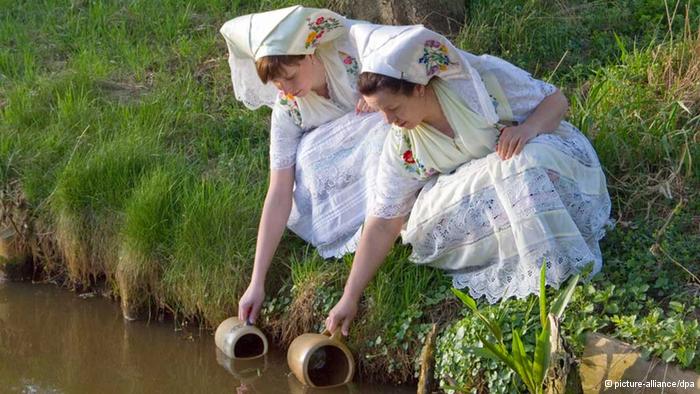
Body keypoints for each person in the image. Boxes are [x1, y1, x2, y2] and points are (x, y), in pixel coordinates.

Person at [326, 24, 612, 335]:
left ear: (419, 86)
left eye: (392, 108)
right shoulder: (404, 142)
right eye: (379, 112)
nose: (389, 121)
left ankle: (556, 266)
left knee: (524, 165)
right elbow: (383, 220)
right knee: (422, 222)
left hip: (535, 158)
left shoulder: (480, 81)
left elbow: (556, 100)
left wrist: (526, 130)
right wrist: (349, 297)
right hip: (489, 187)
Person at [220, 6, 389, 324]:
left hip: (386, 142)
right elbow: (280, 191)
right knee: (308, 156)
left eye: (290, 77)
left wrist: (380, 91)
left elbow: (402, 66)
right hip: (347, 172)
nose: (285, 91)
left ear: (310, 54)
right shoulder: (288, 110)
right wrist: (256, 281)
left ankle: (389, 213)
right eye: (276, 85)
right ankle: (364, 225)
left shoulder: (350, 52)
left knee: (382, 126)